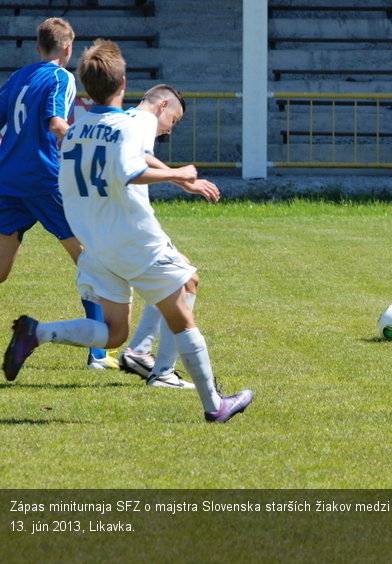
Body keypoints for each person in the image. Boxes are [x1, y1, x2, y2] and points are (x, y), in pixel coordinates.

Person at [2, 39, 252, 422]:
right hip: (134, 240)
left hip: (97, 246)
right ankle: (213, 404)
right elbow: (129, 170)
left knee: (114, 333)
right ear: (123, 83)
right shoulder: (125, 126)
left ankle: (40, 332)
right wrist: (177, 174)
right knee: (183, 308)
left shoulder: (76, 129)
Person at [0, 17, 118, 371]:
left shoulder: (18, 77)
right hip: (45, 180)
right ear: (68, 49)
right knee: (89, 259)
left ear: (38, 47)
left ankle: (96, 350)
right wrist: (88, 146)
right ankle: (98, 354)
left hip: (8, 181)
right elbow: (56, 124)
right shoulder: (61, 77)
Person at [116, 84, 221, 390]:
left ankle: (140, 351)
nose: (169, 131)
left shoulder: (125, 118)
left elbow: (139, 158)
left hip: (112, 223)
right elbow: (141, 160)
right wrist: (182, 178)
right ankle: (160, 370)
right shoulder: (145, 121)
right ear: (162, 106)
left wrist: (180, 180)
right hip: (133, 224)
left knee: (179, 279)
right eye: (173, 121)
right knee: (186, 280)